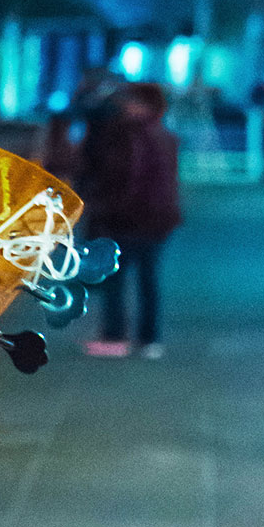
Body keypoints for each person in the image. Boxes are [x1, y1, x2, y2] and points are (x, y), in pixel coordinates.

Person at [80, 83, 180, 359]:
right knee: (148, 279)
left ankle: (115, 337)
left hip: (128, 217)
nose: (124, 106)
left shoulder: (128, 135)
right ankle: (150, 340)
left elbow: (126, 179)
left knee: (116, 276)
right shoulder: (163, 134)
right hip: (158, 218)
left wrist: (105, 207)